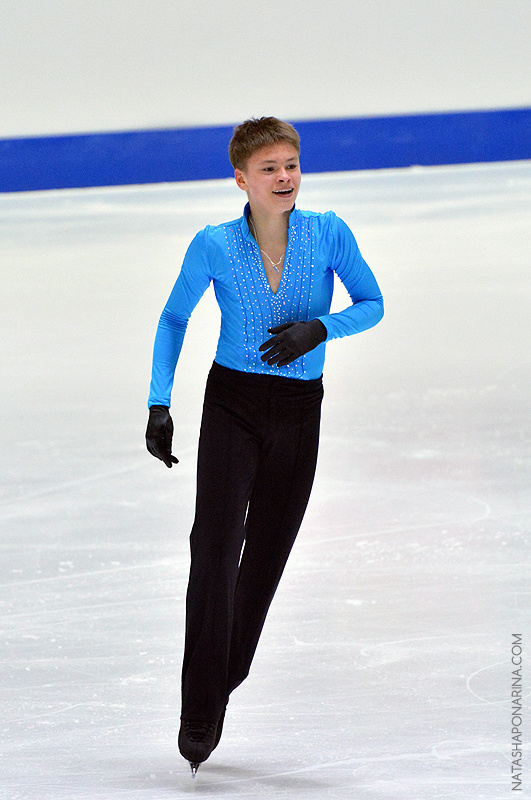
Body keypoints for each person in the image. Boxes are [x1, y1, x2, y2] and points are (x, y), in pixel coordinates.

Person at [145, 117, 384, 774]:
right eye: (269, 168)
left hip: (299, 410)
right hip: (233, 405)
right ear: (240, 179)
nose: (284, 178)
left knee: (266, 555)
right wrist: (158, 401)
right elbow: (174, 317)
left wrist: (321, 328)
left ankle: (221, 680)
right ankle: (199, 710)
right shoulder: (215, 244)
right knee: (215, 548)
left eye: (291, 165)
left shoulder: (328, 232)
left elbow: (373, 302)